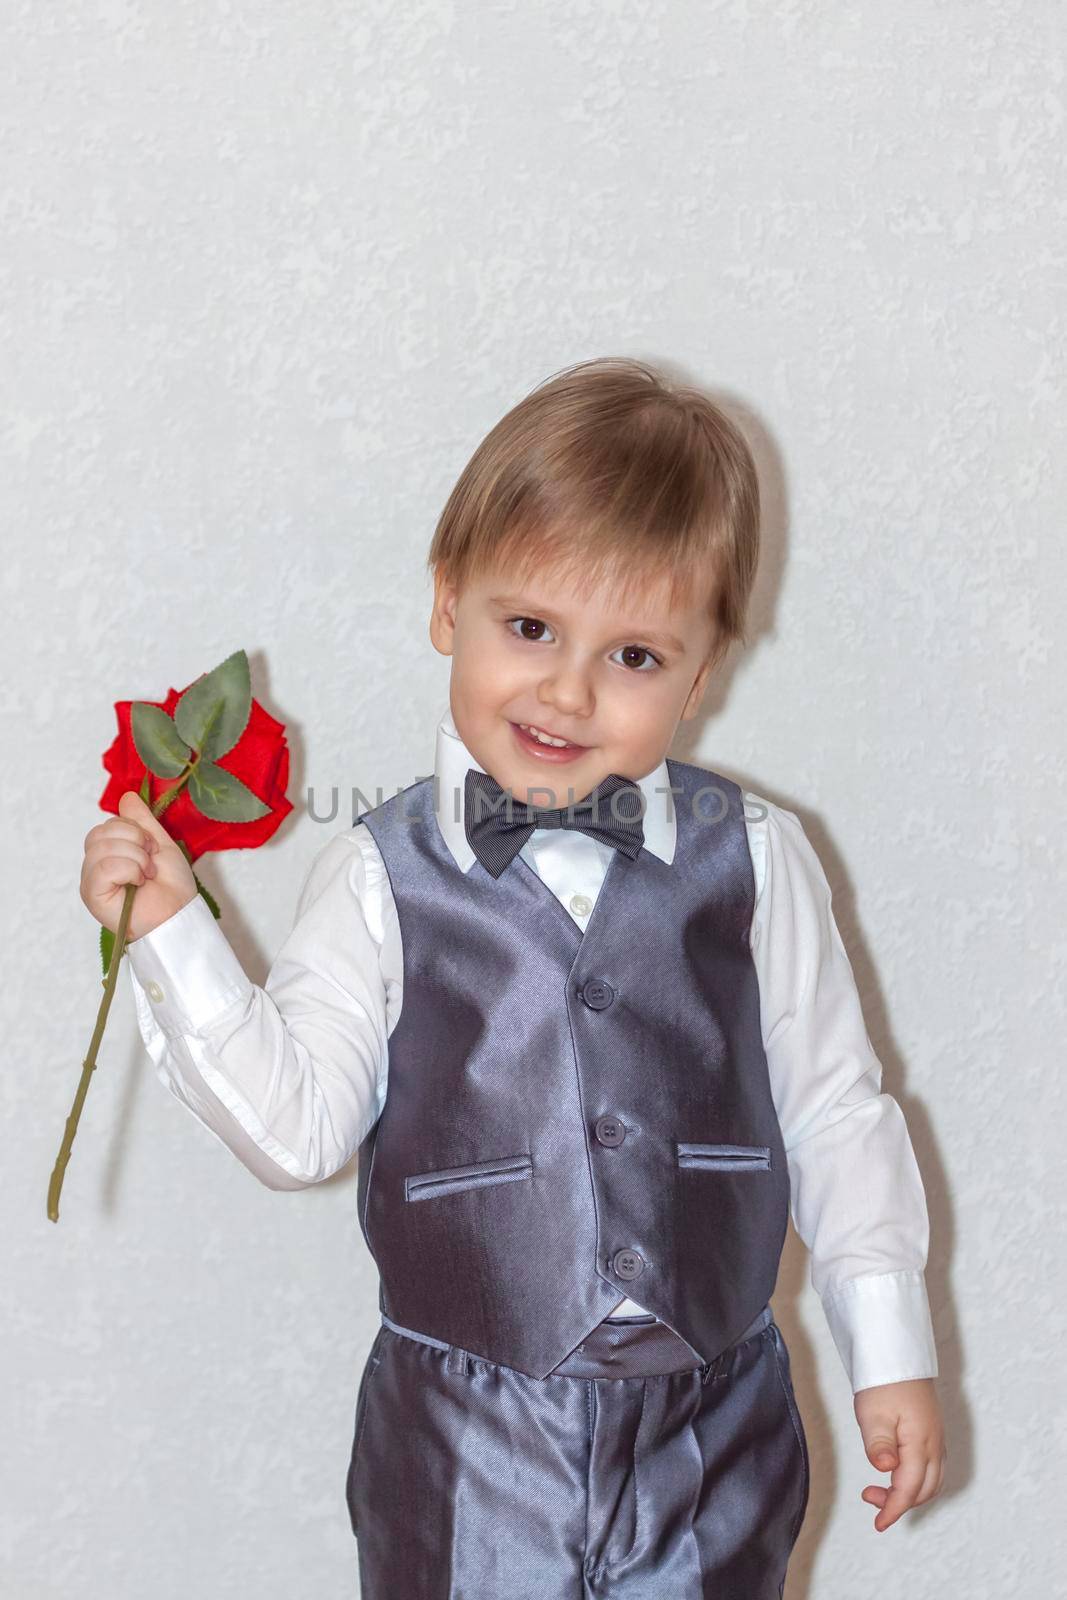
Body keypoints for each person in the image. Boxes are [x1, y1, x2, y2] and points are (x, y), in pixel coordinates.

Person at [80, 356, 946, 1596]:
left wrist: (887, 1344)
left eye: (635, 655)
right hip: (458, 1436)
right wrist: (172, 930)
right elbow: (297, 1128)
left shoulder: (754, 860)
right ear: (448, 603)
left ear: (699, 675)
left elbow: (833, 1108)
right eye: (529, 626)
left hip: (713, 1429)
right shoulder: (379, 872)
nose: (567, 689)